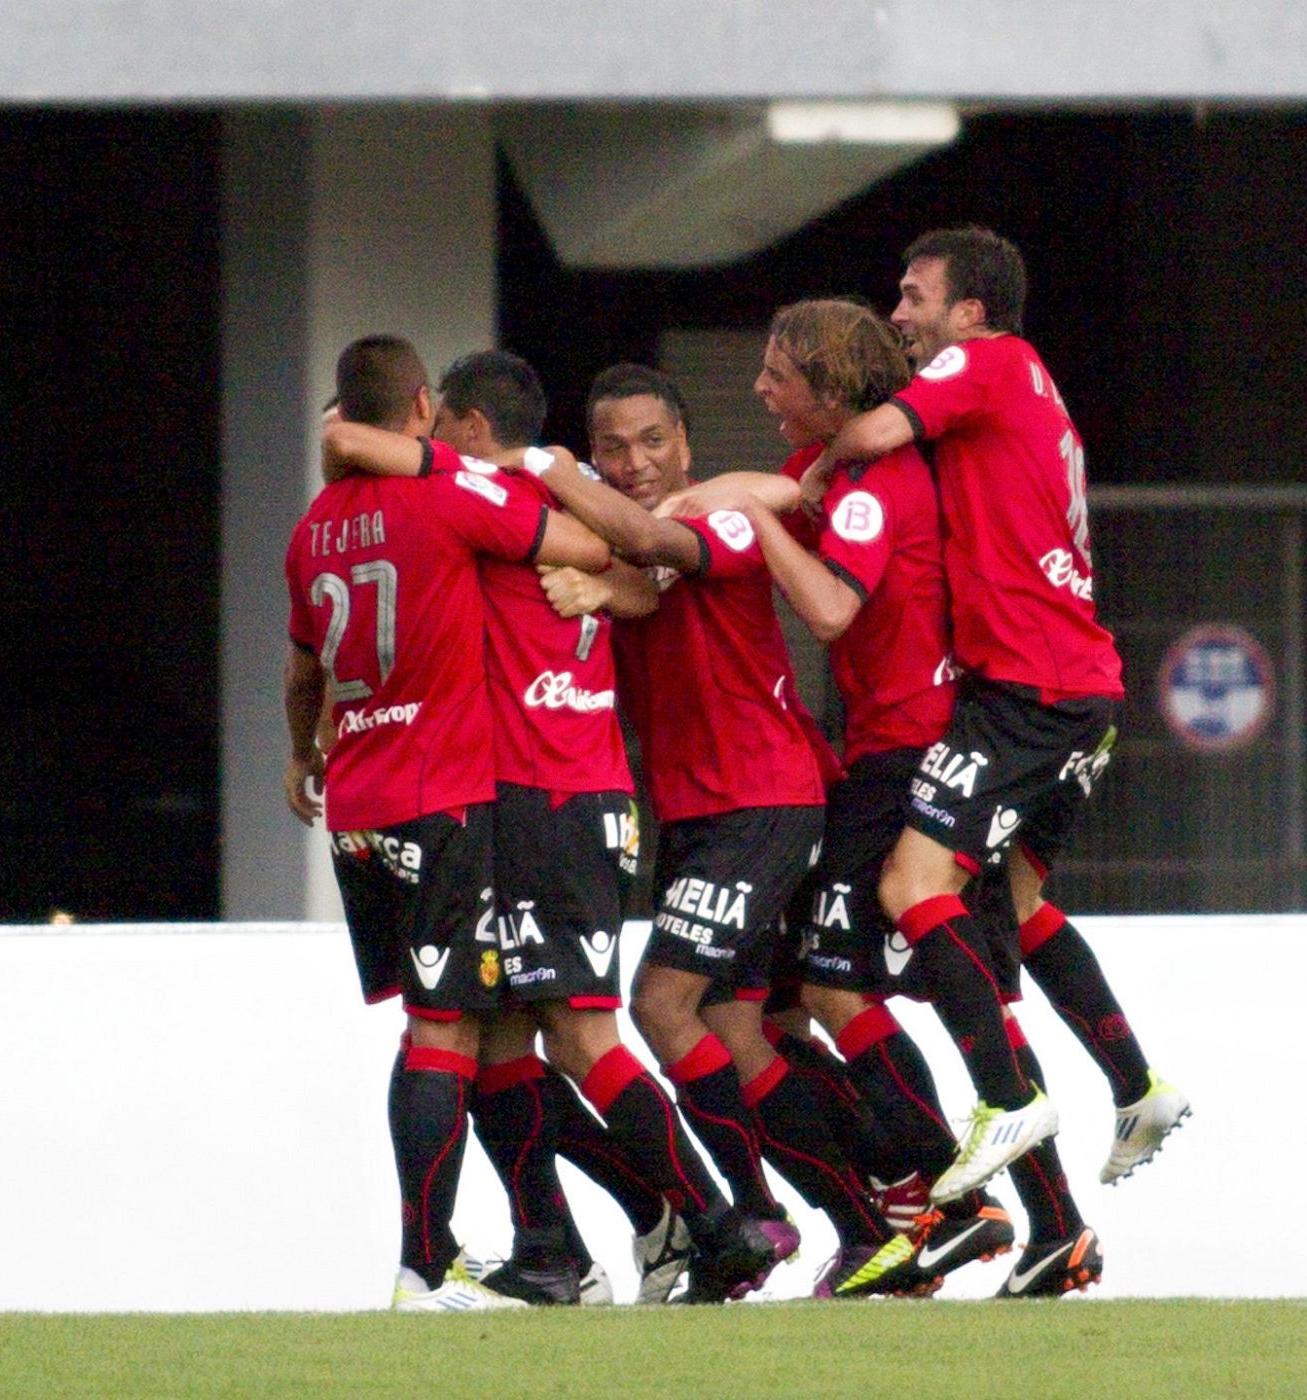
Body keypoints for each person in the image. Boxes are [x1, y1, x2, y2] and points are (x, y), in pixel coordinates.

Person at [321, 349, 782, 1307]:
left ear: (468, 426)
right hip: (571, 793)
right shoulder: (558, 500)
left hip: (538, 794)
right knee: (500, 1042)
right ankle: (562, 1246)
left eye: (443, 421)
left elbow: (345, 441)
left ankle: (710, 1219)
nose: (433, 436)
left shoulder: (479, 492)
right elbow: (646, 580)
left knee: (570, 1036)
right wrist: (612, 586)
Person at [809, 228, 1190, 1296]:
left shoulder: (980, 363)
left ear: (969, 310)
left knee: (909, 882)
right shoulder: (1018, 383)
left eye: (913, 292)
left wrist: (814, 467)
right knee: (1010, 899)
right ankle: (1132, 1081)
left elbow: (877, 422)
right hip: (1075, 682)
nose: (901, 312)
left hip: (1024, 688)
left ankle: (1000, 1097)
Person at [534, 364, 931, 1299]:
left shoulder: (717, 513)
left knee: (663, 1007)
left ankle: (758, 1218)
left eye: (653, 441)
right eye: (612, 448)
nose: (632, 462)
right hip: (699, 811)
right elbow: (636, 580)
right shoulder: (632, 535)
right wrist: (600, 577)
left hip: (762, 801)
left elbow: (768, 495)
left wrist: (549, 477)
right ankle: (867, 1223)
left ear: (686, 441)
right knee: (737, 1028)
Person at [283, 334, 609, 1313]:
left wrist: (303, 752)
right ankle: (424, 1262)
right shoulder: (440, 494)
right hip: (439, 795)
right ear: (421, 409)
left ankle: (472, 1251)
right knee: (443, 1028)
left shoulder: (308, 531)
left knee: (436, 1026)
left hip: (356, 803)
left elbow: (303, 672)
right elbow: (581, 546)